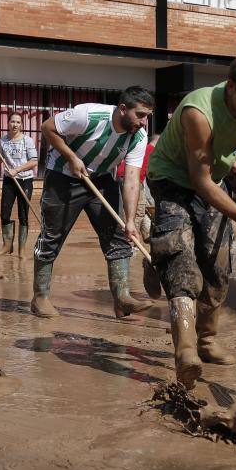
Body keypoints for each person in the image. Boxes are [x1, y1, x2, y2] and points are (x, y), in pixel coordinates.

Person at [147, 50, 236, 389]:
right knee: (182, 263)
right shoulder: (199, 112)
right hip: (173, 180)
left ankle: (207, 340)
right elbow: (201, 181)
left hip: (212, 180)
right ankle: (186, 349)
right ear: (231, 86)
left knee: (219, 265)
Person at [32, 86, 155, 319]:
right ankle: (40, 297)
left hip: (101, 179)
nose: (144, 122)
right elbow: (48, 127)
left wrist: (129, 221)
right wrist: (71, 157)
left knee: (119, 235)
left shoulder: (138, 136)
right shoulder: (88, 115)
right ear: (122, 109)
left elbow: (131, 179)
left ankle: (122, 298)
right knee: (52, 237)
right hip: (63, 177)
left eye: (147, 116)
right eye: (140, 115)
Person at [0, 113, 38, 258]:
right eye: (12, 121)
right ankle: (7, 246)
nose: (15, 124)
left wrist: (17, 169)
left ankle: (21, 249)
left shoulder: (27, 140)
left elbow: (34, 161)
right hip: (9, 180)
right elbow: (0, 160)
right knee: (4, 213)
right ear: (8, 123)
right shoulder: (3, 140)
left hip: (25, 180)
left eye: (18, 122)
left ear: (21, 125)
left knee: (23, 215)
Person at [116, 131, 157, 241]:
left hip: (123, 176)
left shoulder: (145, 148)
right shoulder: (152, 151)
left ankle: (137, 236)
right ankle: (131, 240)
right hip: (131, 179)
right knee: (138, 210)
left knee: (128, 209)